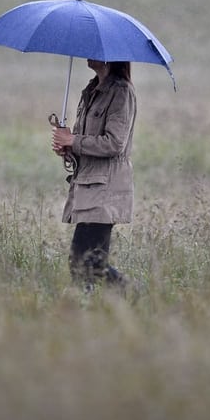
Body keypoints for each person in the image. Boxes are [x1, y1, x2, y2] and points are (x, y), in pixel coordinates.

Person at [52, 59, 136, 292]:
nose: (87, 54)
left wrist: (73, 140)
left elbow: (115, 144)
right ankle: (93, 307)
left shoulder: (121, 92)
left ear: (110, 57)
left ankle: (132, 295)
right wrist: (67, 148)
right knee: (85, 262)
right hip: (87, 186)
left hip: (106, 189)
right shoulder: (91, 91)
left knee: (87, 262)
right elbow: (85, 143)